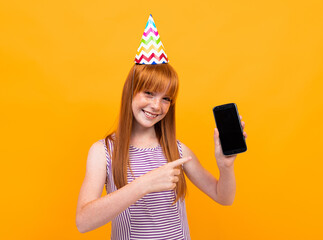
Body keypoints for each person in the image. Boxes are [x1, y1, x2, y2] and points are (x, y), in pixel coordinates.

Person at [76, 15, 247, 239]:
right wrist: (145, 184)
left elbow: (223, 197)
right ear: (131, 92)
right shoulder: (103, 151)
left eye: (166, 98)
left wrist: (225, 167)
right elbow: (83, 221)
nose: (157, 105)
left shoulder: (177, 150)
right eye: (148, 93)